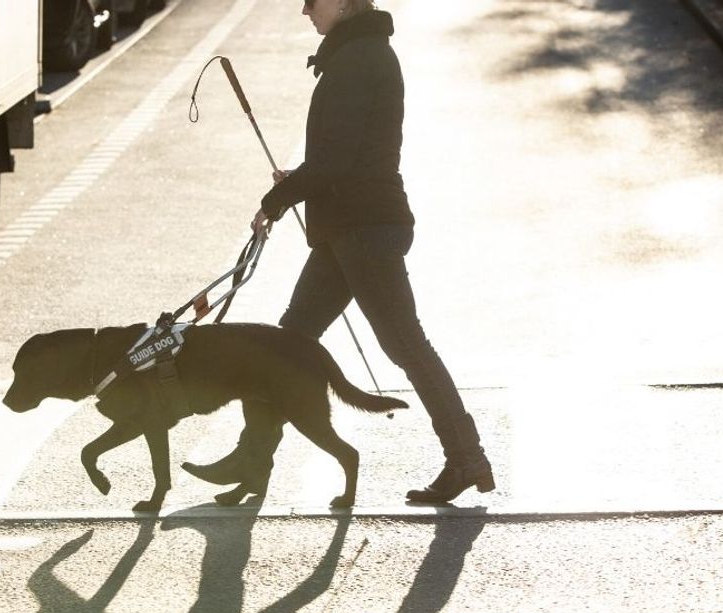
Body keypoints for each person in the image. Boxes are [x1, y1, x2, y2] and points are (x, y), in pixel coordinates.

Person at [183, 0, 494, 503]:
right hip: (348, 229)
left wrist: (279, 197)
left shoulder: (358, 59)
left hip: (364, 230)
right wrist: (299, 186)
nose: (304, 9)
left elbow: (336, 160)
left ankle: (466, 457)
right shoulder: (356, 53)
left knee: (405, 347)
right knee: (288, 344)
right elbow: (340, 157)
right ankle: (253, 459)